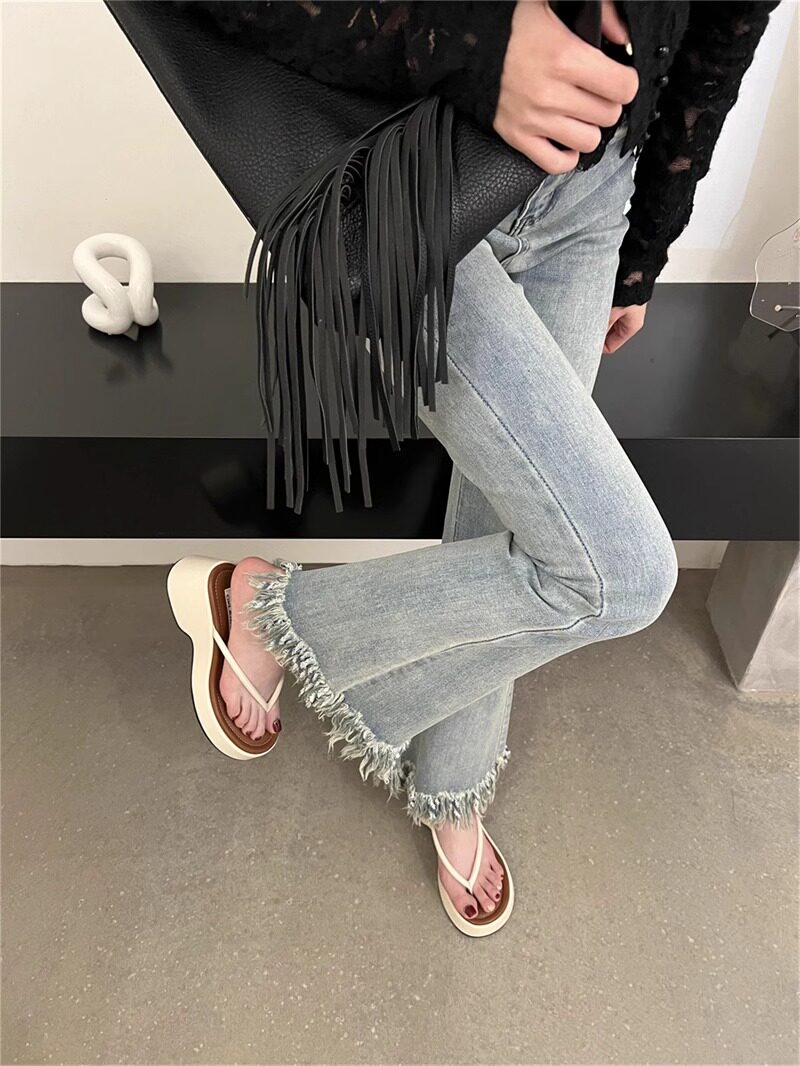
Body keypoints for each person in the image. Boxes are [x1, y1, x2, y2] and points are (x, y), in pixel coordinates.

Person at [167, 0, 781, 936]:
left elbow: (718, 36)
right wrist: (478, 45)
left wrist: (644, 249)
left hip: (592, 194)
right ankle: (275, 618)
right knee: (620, 574)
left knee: (527, 532)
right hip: (415, 175)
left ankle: (449, 783)